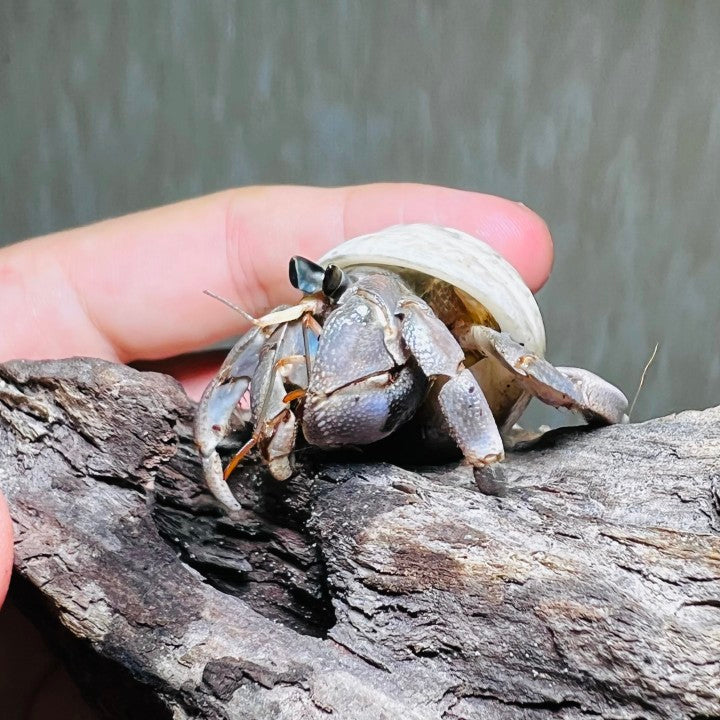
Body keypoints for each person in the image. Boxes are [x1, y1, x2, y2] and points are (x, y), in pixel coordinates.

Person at [0, 183, 552, 714]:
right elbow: (283, 347)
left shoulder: (389, 303)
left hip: (454, 360)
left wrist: (487, 458)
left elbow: (449, 367)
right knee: (281, 335)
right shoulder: (328, 313)